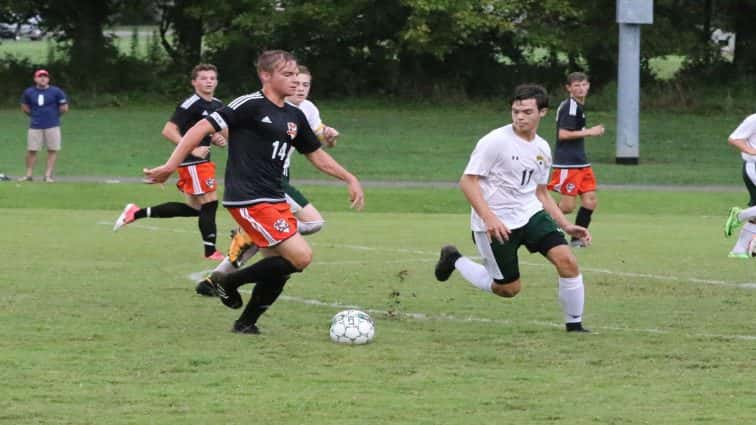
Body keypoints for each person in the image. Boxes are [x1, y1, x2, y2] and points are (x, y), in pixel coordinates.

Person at [143, 50, 365, 335]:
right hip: (248, 197)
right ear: (266, 75)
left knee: (280, 264)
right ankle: (225, 282)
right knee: (301, 257)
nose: (294, 81)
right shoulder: (249, 104)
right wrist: (171, 166)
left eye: (296, 74)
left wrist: (349, 177)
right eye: (287, 75)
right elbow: (200, 127)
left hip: (273, 197)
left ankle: (245, 323)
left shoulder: (294, 115)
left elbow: (316, 155)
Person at [435, 84, 592, 333]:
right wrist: (489, 218)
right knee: (508, 289)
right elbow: (468, 181)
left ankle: (575, 326)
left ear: (543, 112)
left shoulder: (542, 147)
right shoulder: (494, 141)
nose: (520, 117)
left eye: (527, 112)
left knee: (568, 261)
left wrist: (566, 225)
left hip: (530, 214)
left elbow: (540, 192)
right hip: (496, 224)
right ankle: (454, 259)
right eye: (515, 111)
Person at [194, 65, 340, 296]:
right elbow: (229, 127)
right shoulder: (259, 105)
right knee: (313, 223)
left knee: (268, 242)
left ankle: (214, 281)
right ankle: (240, 252)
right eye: (294, 80)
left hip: (279, 177)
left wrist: (330, 138)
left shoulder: (307, 110)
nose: (299, 87)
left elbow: (317, 141)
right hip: (267, 181)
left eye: (305, 84)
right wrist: (220, 137)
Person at [113, 64, 226, 261]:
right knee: (210, 204)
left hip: (203, 162)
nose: (209, 81)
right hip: (192, 162)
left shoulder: (217, 104)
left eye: (212, 78)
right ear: (194, 82)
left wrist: (218, 138)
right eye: (203, 78)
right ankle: (211, 252)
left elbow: (220, 132)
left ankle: (136, 212)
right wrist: (192, 148)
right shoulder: (191, 104)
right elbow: (168, 130)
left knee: (196, 209)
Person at [547, 72, 604, 247]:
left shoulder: (578, 106)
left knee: (590, 200)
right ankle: (532, 225)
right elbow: (563, 134)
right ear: (569, 88)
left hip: (581, 163)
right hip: (568, 163)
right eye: (576, 85)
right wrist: (590, 132)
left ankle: (577, 239)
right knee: (567, 206)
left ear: (588, 86)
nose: (581, 88)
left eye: (584, 84)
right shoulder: (570, 106)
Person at [19, 69, 68, 182]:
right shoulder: (29, 92)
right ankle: (29, 175)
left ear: (48, 79)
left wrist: (54, 116)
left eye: (45, 76)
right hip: (35, 125)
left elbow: (64, 107)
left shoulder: (56, 91)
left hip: (52, 125)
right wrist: (34, 115)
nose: (43, 78)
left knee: (52, 149)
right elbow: (24, 106)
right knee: (32, 149)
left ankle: (47, 175)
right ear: (35, 79)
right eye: (40, 76)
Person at [723, 113, 756, 258]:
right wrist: (753, 151)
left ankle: (739, 250)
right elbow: (734, 138)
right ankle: (740, 215)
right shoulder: (754, 119)